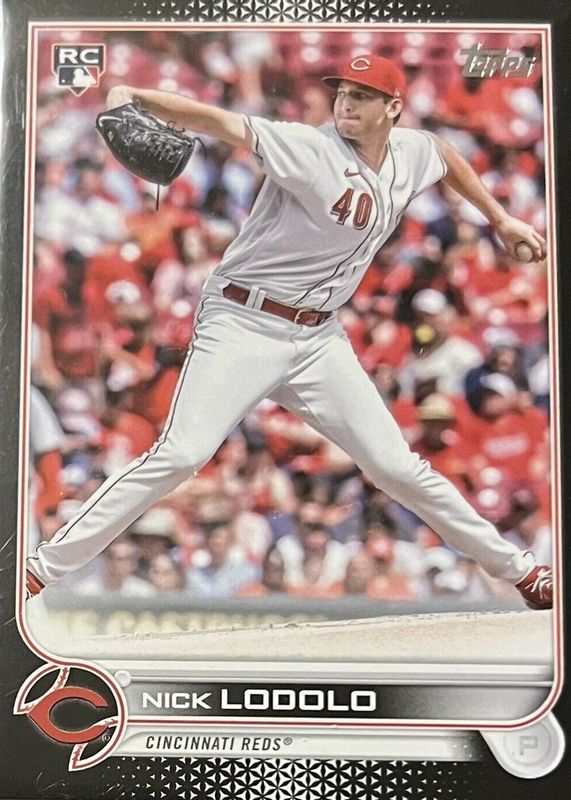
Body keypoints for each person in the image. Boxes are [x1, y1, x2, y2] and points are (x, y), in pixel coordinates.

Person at [26, 54, 552, 610]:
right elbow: (219, 121)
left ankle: (522, 574)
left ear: (394, 108)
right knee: (180, 456)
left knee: (397, 467)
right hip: (244, 321)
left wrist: (500, 218)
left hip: (318, 337)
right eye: (342, 91)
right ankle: (38, 570)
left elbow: (443, 155)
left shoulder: (410, 153)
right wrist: (132, 96)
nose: (346, 103)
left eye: (362, 95)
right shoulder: (310, 147)